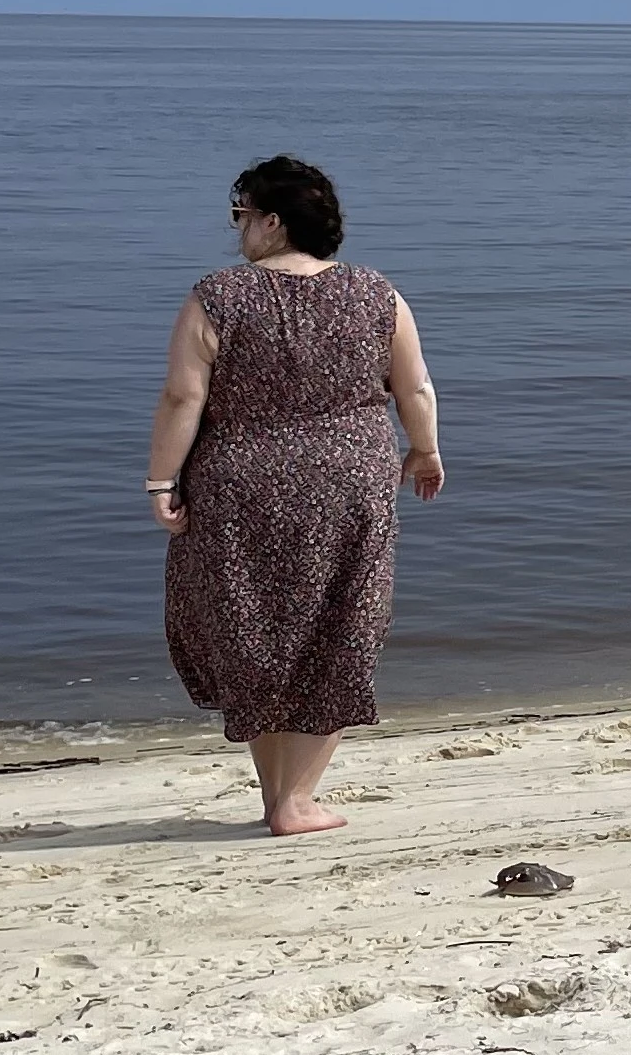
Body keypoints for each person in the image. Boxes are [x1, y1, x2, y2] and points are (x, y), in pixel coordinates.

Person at [144, 155, 445, 833]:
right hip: (348, 482)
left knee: (251, 629)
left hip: (237, 482)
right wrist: (423, 448)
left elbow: (182, 397)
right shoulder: (376, 294)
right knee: (340, 627)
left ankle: (278, 798)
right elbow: (415, 386)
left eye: (239, 214)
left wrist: (160, 480)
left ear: (271, 220)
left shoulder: (216, 295)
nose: (237, 228)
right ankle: (294, 799)